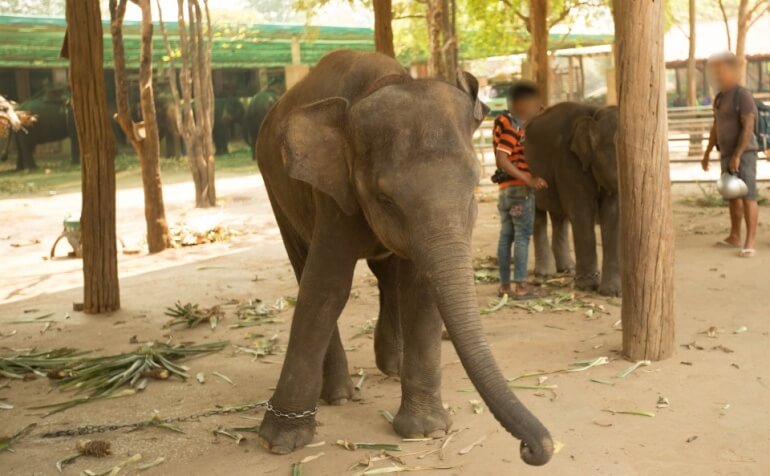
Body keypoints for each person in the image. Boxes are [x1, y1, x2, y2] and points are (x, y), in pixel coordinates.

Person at [492, 81, 548, 299]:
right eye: (533, 104)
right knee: (522, 236)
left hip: (505, 191)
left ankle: (505, 286)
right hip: (519, 192)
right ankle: (521, 287)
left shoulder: (503, 121)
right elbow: (502, 159)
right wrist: (529, 179)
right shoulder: (513, 125)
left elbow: (514, 140)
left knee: (506, 237)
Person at [702, 52, 760, 257]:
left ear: (732, 71)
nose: (718, 75)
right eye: (716, 72)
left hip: (745, 154)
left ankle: (749, 241)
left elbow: (748, 126)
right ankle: (734, 236)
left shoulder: (742, 95)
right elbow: (716, 126)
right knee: (732, 195)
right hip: (725, 152)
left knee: (747, 195)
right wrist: (708, 151)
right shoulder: (719, 98)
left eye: (721, 71)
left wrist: (738, 154)